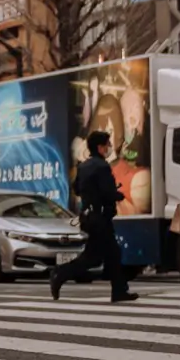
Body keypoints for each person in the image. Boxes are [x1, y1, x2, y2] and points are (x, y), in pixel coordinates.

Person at [51, 131, 137, 305]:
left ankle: (119, 290)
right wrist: (118, 195)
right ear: (100, 147)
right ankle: (60, 273)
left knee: (109, 254)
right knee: (96, 257)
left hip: (89, 217)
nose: (109, 148)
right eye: (107, 144)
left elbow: (76, 189)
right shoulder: (102, 166)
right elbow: (107, 193)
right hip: (100, 217)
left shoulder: (84, 166)